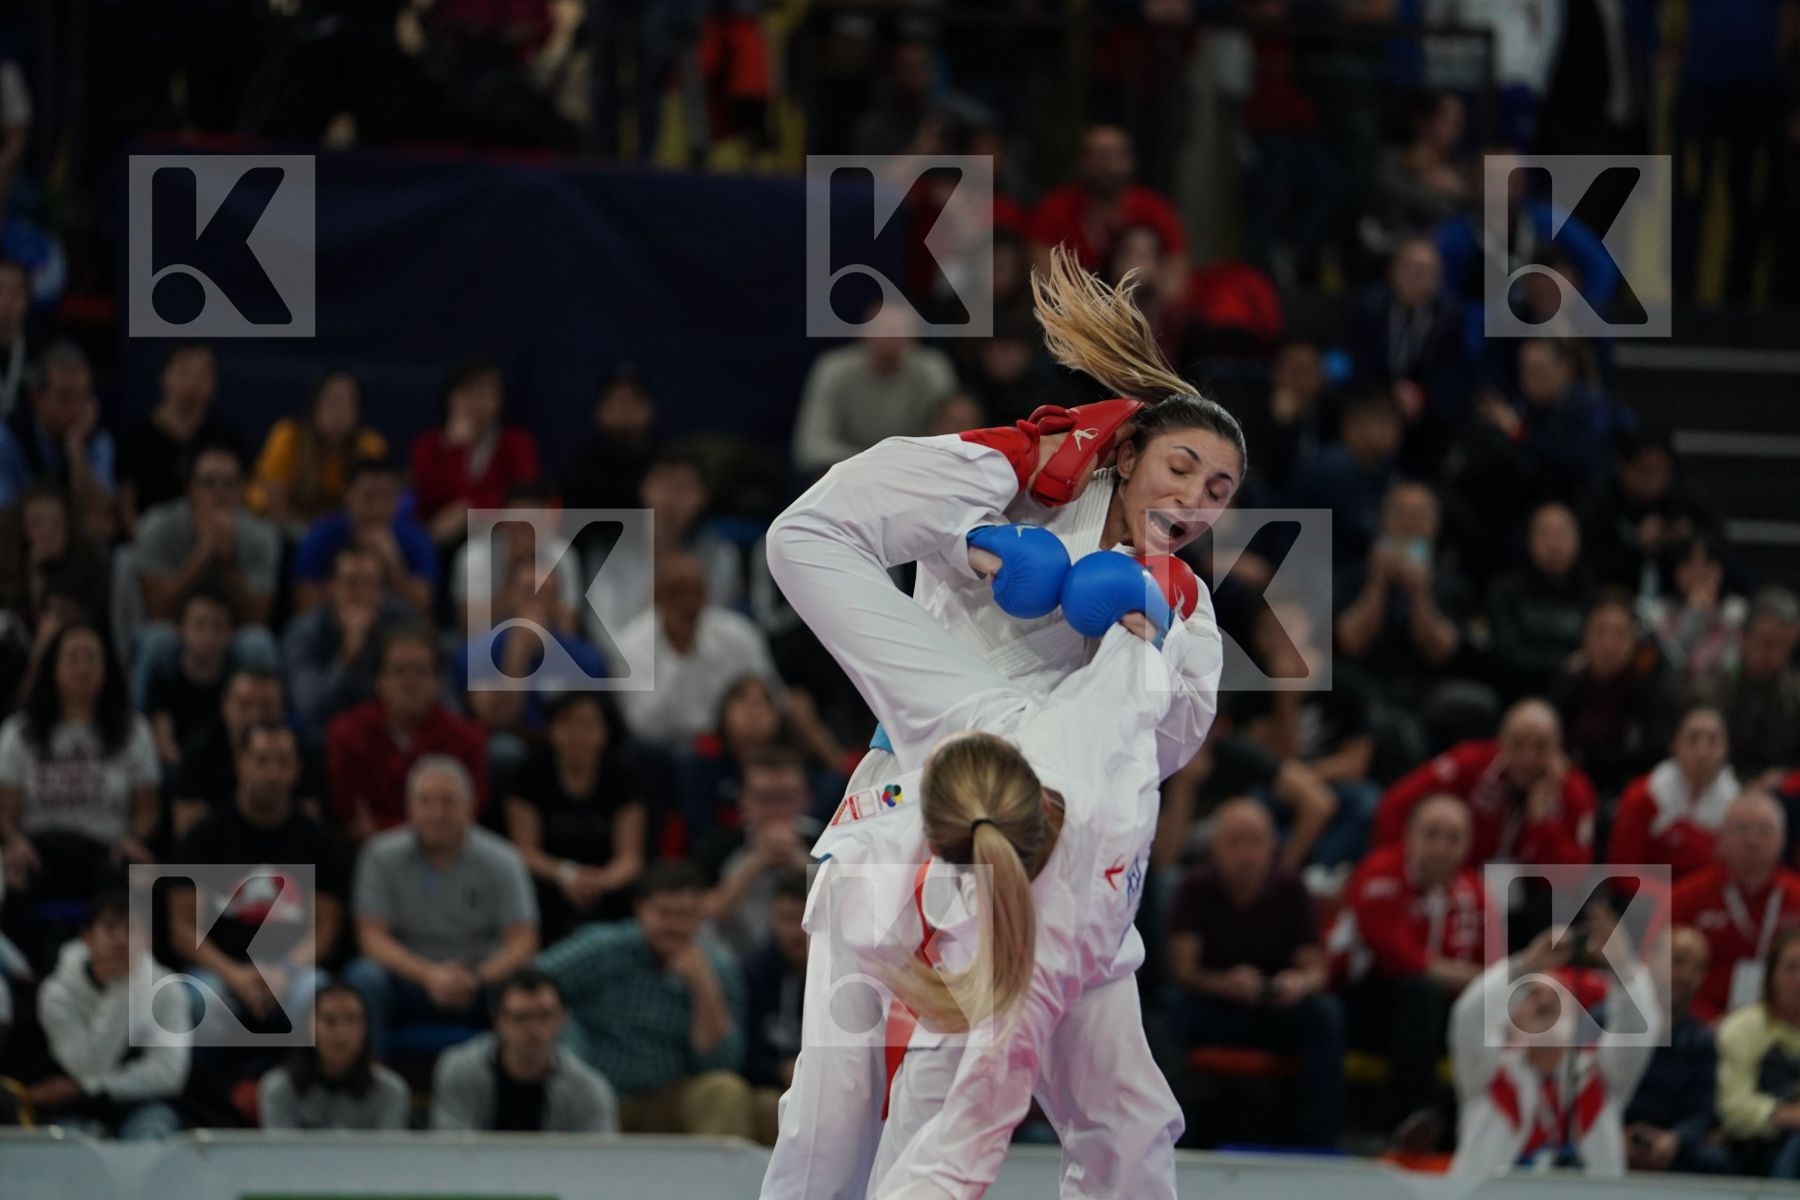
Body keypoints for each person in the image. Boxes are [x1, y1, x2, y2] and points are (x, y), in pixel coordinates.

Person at [1164, 799, 1345, 1146]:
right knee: (1168, 1011)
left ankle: (1320, 1139)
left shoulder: (1292, 888)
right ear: (1215, 847)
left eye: (1255, 842)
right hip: (1214, 1005)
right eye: (1234, 842)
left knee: (1326, 1014)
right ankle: (1177, 1138)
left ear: (1272, 846)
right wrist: (1225, 983)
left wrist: (1298, 982)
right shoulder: (1194, 887)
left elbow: (1316, 969)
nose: (1245, 854)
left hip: (1272, 1006)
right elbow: (1182, 970)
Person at [537, 861, 752, 1137]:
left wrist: (703, 987)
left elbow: (719, 1065)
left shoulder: (719, 969)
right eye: (664, 913)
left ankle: (712, 1180)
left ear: (702, 915)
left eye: (685, 915)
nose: (674, 925)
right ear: (640, 909)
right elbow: (530, 983)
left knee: (725, 1090)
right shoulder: (602, 947)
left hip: (666, 1099)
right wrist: (567, 1037)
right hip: (595, 1094)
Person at [343, 755, 539, 1056]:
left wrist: (478, 977)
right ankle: (368, 1085)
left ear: (469, 807)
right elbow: (371, 937)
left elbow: (523, 939)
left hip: (478, 982)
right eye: (425, 801)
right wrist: (429, 975)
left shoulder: (503, 859)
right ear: (409, 807)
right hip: (407, 979)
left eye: (448, 801)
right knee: (363, 977)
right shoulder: (379, 855)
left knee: (524, 982)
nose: (436, 812)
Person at [168, 722, 345, 1041]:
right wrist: (234, 974)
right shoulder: (205, 836)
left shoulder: (319, 840)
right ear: (241, 764)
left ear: (297, 770)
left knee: (319, 994)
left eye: (283, 762)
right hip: (220, 969)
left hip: (293, 968)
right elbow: (182, 928)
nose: (273, 773)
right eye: (262, 761)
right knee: (198, 1001)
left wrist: (285, 971)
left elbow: (326, 928)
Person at [1447, 918, 1660, 1175]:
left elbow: (1640, 1029)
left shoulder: (1602, 1077)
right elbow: (1468, 1017)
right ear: (1507, 1020)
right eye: (1532, 994)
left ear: (1576, 1018)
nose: (1545, 998)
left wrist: (1623, 968)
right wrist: (1523, 965)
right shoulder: (1488, 1072)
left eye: (1558, 995)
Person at [1334, 793, 1486, 1129]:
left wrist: (1493, 984)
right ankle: (1415, 1119)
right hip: (1363, 1002)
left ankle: (1488, 1127)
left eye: (1453, 837)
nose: (1441, 847)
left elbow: (1492, 967)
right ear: (1410, 835)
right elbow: (1403, 960)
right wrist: (1484, 979)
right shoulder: (1379, 874)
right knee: (1420, 994)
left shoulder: (1474, 890)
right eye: (1432, 834)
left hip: (1437, 1008)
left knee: (1494, 1006)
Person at [0, 623, 158, 933]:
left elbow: (148, 808)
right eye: (72, 658)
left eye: (92, 659)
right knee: (9, 874)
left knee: (140, 874)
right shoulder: (18, 732)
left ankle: (131, 970)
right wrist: (14, 841)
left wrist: (134, 839)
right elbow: (5, 813)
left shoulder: (133, 730)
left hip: (105, 852)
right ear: (53, 667)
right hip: (38, 852)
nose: (83, 668)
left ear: (107, 668)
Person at [32, 889, 191, 1139]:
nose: (120, 939)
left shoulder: (167, 988)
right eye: (110, 927)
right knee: (69, 1147)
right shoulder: (57, 994)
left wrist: (87, 1087)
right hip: (78, 1108)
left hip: (143, 1103)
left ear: (148, 940)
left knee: (151, 1134)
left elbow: (169, 1074)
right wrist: (122, 991)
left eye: (130, 929)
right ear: (87, 937)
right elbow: (88, 1067)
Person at [130, 443, 282, 702]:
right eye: (208, 482)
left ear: (243, 490)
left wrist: (227, 562)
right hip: (177, 632)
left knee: (257, 644)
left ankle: (264, 735)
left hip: (231, 636)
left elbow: (257, 618)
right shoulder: (159, 525)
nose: (219, 493)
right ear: (191, 488)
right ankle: (138, 730)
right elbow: (157, 611)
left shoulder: (261, 536)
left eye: (229, 483)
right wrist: (203, 554)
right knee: (155, 640)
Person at [1374, 698, 1597, 869]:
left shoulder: (1575, 790)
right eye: (1517, 744)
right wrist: (1404, 866)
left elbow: (1573, 880)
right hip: (1459, 880)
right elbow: (1395, 804)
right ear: (1501, 740)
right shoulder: (1469, 763)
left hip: (1528, 898)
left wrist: (1543, 825)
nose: (1527, 758)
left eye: (1540, 746)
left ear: (1558, 746)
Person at [505, 691, 647, 939]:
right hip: (549, 880)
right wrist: (566, 874)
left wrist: (600, 882)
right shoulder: (528, 775)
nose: (578, 733)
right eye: (568, 723)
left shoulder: (624, 777)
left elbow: (630, 857)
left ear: (605, 731)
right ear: (551, 729)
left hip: (606, 884)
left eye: (589, 724)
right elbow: (524, 850)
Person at [326, 626, 489, 840]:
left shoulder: (467, 739)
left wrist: (381, 826)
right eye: (399, 671)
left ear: (437, 681)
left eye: (421, 671)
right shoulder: (347, 734)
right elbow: (348, 817)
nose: (410, 682)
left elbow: (468, 815)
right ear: (379, 680)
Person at [612, 553, 781, 747]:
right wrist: (679, 655)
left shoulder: (739, 636)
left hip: (727, 745)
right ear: (657, 595)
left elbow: (773, 698)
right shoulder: (630, 645)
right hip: (663, 751)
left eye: (695, 591)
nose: (687, 602)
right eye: (677, 592)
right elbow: (641, 724)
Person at [431, 966, 619, 1133]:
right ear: (499, 1021)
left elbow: (596, 1163)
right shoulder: (460, 1070)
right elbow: (450, 1150)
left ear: (563, 1018)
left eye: (544, 1016)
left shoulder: (588, 1089)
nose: (533, 1029)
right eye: (521, 1017)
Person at [1672, 791, 1800, 1021]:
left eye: (1764, 830)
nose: (1752, 840)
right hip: (1701, 1027)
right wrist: (1702, 1022)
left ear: (1782, 839)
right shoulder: (1686, 896)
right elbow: (1657, 971)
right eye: (1741, 829)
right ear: (1720, 837)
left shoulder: (1795, 895)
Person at [790, 303, 958, 477]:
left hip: (915, 474)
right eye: (883, 330)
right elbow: (810, 446)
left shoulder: (932, 370)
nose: (892, 339)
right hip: (850, 475)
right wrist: (875, 464)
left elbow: (952, 441)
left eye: (903, 331)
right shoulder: (833, 369)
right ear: (862, 332)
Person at [1623, 926, 1735, 1175]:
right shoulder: (1610, 1020)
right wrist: (1615, 1135)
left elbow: (1702, 1110)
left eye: (1698, 967)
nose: (1686, 974)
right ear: (1650, 960)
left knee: (1722, 1163)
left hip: (1670, 1148)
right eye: (1678, 961)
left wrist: (1676, 1140)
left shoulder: (1701, 1040)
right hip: (1609, 1138)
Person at [1548, 593, 1680, 797]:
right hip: (1568, 785)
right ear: (1585, 637)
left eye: (1620, 634)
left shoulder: (1651, 690)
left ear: (1634, 640)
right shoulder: (1567, 682)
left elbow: (1652, 756)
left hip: (1626, 791)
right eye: (1600, 632)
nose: (1609, 645)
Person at [1028, 124, 1186, 292]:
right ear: (1082, 161)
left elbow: (1176, 284)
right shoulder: (1055, 208)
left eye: (1118, 155)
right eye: (1100, 157)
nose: (1110, 166)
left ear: (1131, 161)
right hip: (1076, 312)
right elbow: (1044, 280)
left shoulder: (1154, 208)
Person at [284, 544, 416, 744]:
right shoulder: (305, 631)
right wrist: (346, 655)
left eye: (371, 584)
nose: (362, 594)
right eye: (352, 583)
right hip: (329, 732)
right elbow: (310, 707)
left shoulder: (401, 622)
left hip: (392, 728)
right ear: (331, 588)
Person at [702, 747, 820, 960]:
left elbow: (850, 910)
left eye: (786, 798)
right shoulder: (718, 845)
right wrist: (756, 861)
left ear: (805, 798)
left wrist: (802, 864)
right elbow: (704, 916)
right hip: (737, 966)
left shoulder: (826, 842)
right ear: (744, 800)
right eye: (765, 799)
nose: (776, 809)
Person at [408, 359, 541, 547]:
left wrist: (469, 511)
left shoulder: (516, 443)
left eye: (490, 392)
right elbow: (430, 499)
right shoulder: (427, 446)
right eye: (473, 392)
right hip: (440, 536)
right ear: (452, 397)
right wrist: (456, 449)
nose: (481, 401)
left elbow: (523, 496)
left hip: (498, 528)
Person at [113, 343, 242, 530]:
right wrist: (146, 546)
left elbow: (241, 498)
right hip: (148, 542)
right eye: (183, 372)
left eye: (201, 375)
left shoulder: (228, 437)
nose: (192, 382)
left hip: (218, 536)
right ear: (163, 377)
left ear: (214, 383)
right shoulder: (136, 437)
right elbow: (125, 502)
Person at [289, 454, 435, 615]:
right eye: (368, 496)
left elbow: (421, 608)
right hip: (333, 623)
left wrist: (392, 562)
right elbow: (305, 607)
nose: (376, 507)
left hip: (394, 627)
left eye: (386, 497)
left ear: (399, 499)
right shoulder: (321, 535)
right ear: (348, 494)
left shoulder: (414, 538)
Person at [1607, 707, 1739, 882]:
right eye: (1693, 739)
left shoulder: (1737, 807)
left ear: (1726, 748)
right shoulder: (1645, 795)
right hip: (1648, 897)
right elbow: (1622, 871)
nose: (1702, 751)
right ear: (1675, 745)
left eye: (1712, 741)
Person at [258, 981, 411, 1130]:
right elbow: (280, 1154)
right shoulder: (278, 1089)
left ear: (366, 1028)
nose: (341, 1034)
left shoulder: (390, 1091)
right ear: (309, 1028)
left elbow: (388, 1155)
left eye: (351, 1020)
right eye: (330, 1021)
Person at [250, 369, 388, 530]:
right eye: (332, 401)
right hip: (286, 529)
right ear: (314, 405)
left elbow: (377, 507)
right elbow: (275, 504)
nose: (339, 412)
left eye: (347, 403)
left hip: (345, 533)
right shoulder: (288, 437)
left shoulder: (370, 446)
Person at [166, 667, 292, 836]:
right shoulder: (200, 752)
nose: (255, 716)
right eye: (244, 706)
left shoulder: (296, 751)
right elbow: (187, 830)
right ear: (225, 706)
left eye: (267, 707)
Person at [1693, 587, 1800, 785]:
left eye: (1784, 647)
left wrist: (1787, 776)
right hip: (1715, 787)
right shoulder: (1710, 687)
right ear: (1744, 636)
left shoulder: (1794, 693)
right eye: (1767, 643)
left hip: (1778, 793)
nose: (1774, 655)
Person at [1487, 502, 1592, 700]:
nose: (1553, 544)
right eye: (1545, 535)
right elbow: (1507, 653)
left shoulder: (1592, 592)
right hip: (1518, 691)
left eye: (1561, 534)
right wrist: (1563, 664)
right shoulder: (1505, 589)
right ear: (1530, 540)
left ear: (1577, 540)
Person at [1716, 928, 1800, 1176]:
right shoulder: (1741, 1028)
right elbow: (1732, 1109)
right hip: (1755, 1145)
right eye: (1791, 968)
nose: (1799, 979)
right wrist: (1785, 1116)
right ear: (1771, 974)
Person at [0, 342, 115, 521]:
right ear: (37, 399)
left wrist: (76, 452)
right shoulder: (8, 437)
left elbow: (99, 513)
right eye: (65, 397)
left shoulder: (97, 439)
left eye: (83, 396)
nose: (76, 408)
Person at [1294, 392, 1401, 568]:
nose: (1390, 432)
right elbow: (1358, 529)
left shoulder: (1384, 471)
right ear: (1351, 425)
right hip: (1312, 568)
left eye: (1394, 424)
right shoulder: (1334, 464)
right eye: (1382, 422)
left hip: (1345, 568)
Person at [744, 865, 808, 1146]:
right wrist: (777, 1070)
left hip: (832, 1085)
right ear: (772, 919)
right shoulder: (752, 971)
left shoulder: (850, 976)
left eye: (807, 920)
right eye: (787, 919)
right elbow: (739, 1051)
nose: (798, 932)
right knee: (773, 1106)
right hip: (767, 1086)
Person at [142, 587, 234, 766]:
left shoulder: (237, 682)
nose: (208, 636)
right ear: (182, 629)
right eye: (199, 625)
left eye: (217, 626)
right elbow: (164, 742)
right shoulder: (164, 677)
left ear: (230, 633)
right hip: (180, 769)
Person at [560, 365, 656, 513]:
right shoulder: (579, 468)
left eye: (633, 400)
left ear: (649, 410)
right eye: (615, 400)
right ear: (599, 411)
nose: (624, 409)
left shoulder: (662, 464)